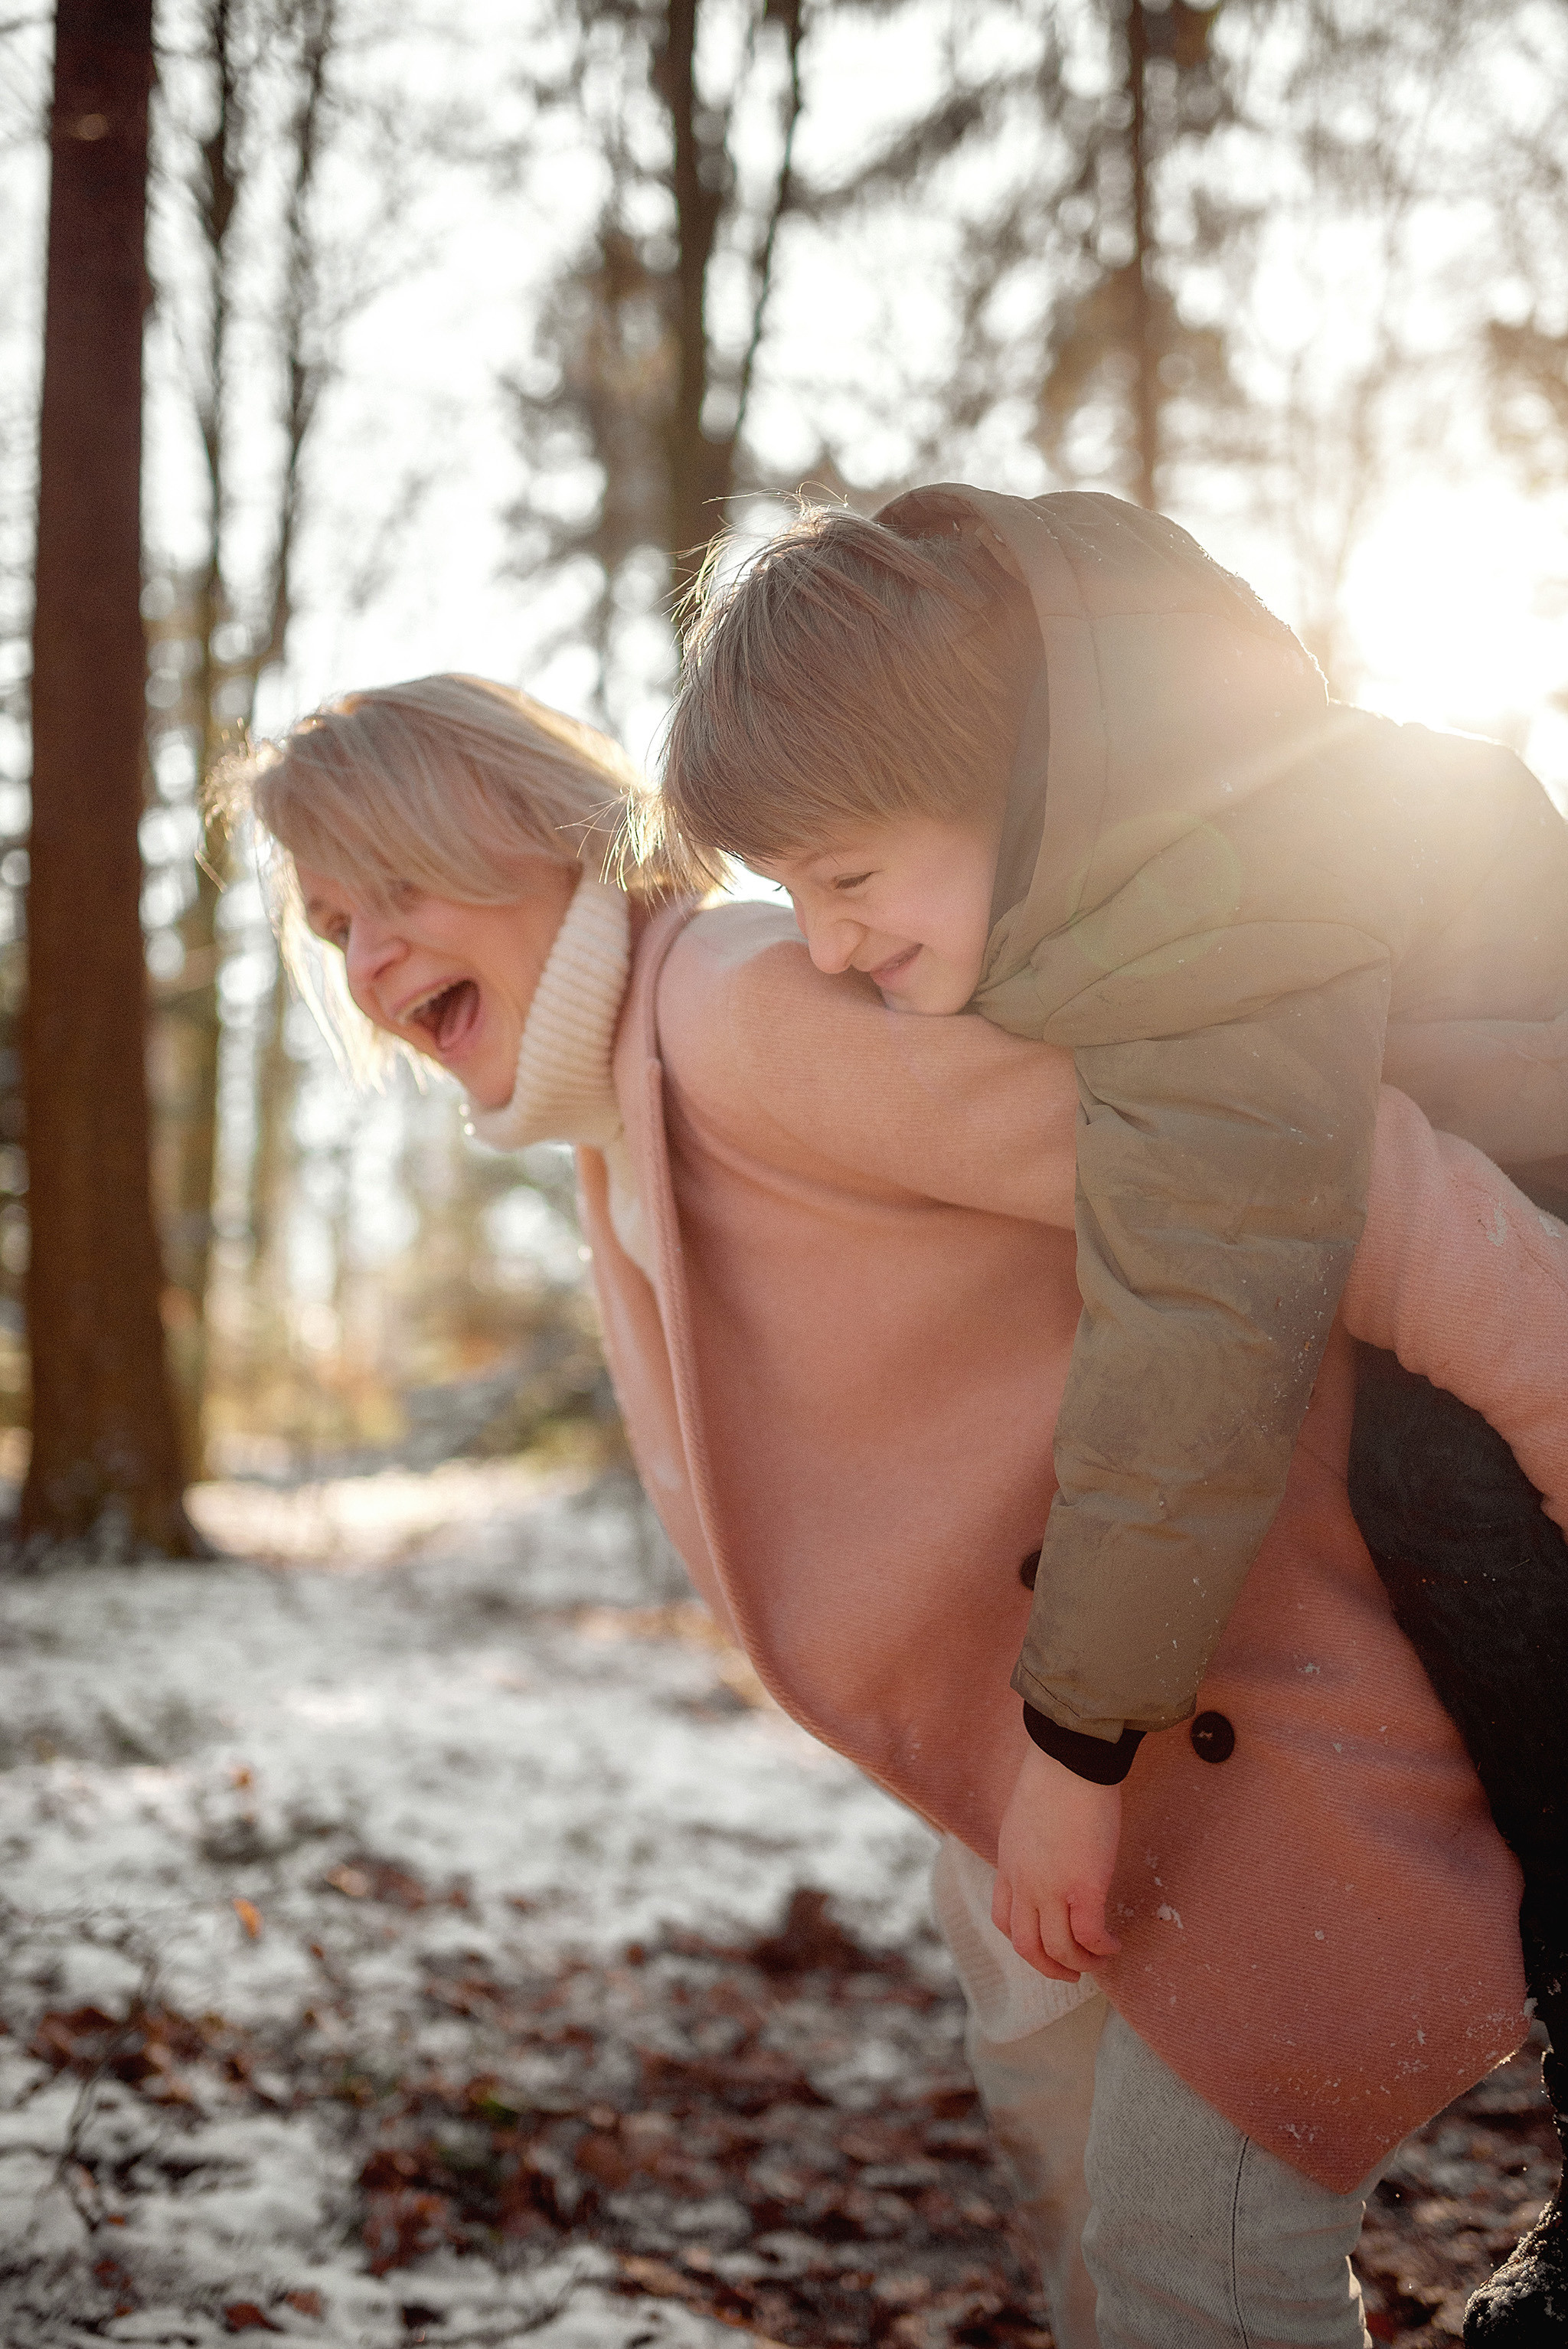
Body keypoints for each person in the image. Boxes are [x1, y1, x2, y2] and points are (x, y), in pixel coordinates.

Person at [221, 672, 1567, 2349]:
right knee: (1114, 2267)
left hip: (1238, 1725)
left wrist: (1547, 1374)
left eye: (397, 888)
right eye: (335, 917)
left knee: (1186, 2276)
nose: (362, 955)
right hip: (1053, 1787)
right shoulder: (620, 1097)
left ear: (528, 828)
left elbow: (1262, 1166)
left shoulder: (732, 1010)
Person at [651, 495, 1568, 2340]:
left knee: (1435, 1491)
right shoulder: (1137, 831)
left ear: (1001, 785)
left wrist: (1074, 1752)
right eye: (793, 900)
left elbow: (1199, 1343)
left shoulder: (1202, 902)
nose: (823, 949)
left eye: (847, 877)